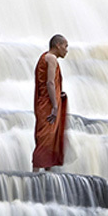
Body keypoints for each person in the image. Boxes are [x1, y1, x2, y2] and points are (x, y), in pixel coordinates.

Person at [32, 34, 68, 171]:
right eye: (65, 46)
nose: (66, 50)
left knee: (48, 137)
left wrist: (59, 94)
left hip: (44, 102)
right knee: (46, 137)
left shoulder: (45, 57)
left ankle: (48, 177)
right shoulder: (51, 58)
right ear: (57, 45)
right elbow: (50, 82)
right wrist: (54, 105)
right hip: (47, 104)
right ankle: (35, 174)